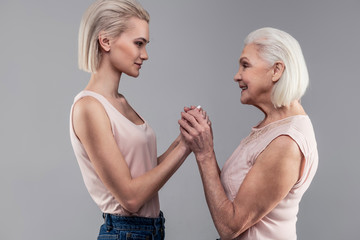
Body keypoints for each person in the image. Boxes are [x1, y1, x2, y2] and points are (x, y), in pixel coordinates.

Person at [179, 27, 318, 240]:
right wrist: (202, 141)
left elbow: (230, 227)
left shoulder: (286, 142)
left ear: (276, 70)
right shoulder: (272, 128)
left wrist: (205, 153)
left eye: (245, 65)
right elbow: (229, 201)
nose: (237, 76)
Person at [69, 0, 190, 239]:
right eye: (138, 44)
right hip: (126, 233)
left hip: (151, 230)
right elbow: (131, 198)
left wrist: (184, 139)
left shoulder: (120, 102)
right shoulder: (89, 108)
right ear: (105, 41)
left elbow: (144, 173)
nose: (144, 55)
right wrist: (186, 147)